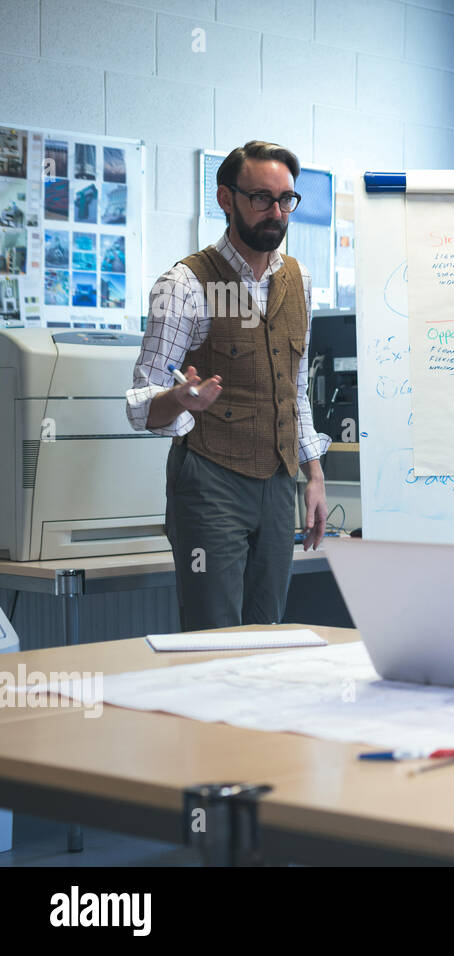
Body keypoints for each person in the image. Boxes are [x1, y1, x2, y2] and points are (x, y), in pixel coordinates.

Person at [125, 140, 330, 631]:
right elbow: (138, 402)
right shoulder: (185, 284)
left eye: (286, 200)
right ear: (225, 198)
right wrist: (178, 399)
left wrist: (315, 475)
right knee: (214, 639)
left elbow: (294, 389)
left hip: (279, 485)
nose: (276, 212)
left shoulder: (296, 280)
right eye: (261, 197)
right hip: (211, 483)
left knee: (268, 636)